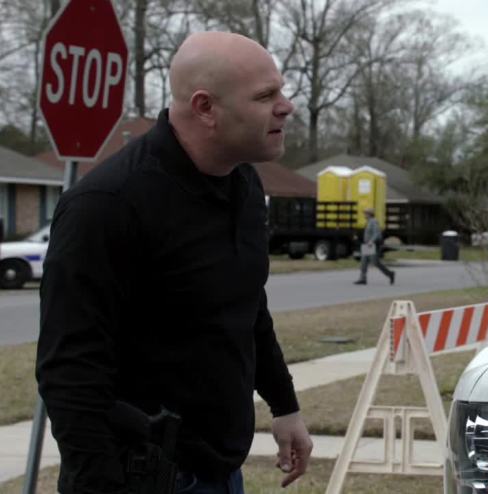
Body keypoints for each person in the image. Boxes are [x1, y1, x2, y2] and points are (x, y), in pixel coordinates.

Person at [36, 32, 312, 494]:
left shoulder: (244, 187)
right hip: (139, 476)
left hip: (221, 468)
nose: (286, 107)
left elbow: (246, 307)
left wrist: (284, 406)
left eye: (280, 92)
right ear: (205, 108)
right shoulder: (108, 204)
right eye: (266, 96)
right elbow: (70, 371)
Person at [354, 207, 395, 285]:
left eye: (365, 213)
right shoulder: (368, 222)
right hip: (367, 245)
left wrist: (371, 241)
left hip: (372, 245)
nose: (364, 215)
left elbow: (377, 233)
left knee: (375, 262)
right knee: (363, 262)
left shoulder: (374, 222)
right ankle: (362, 279)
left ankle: (390, 274)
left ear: (369, 214)